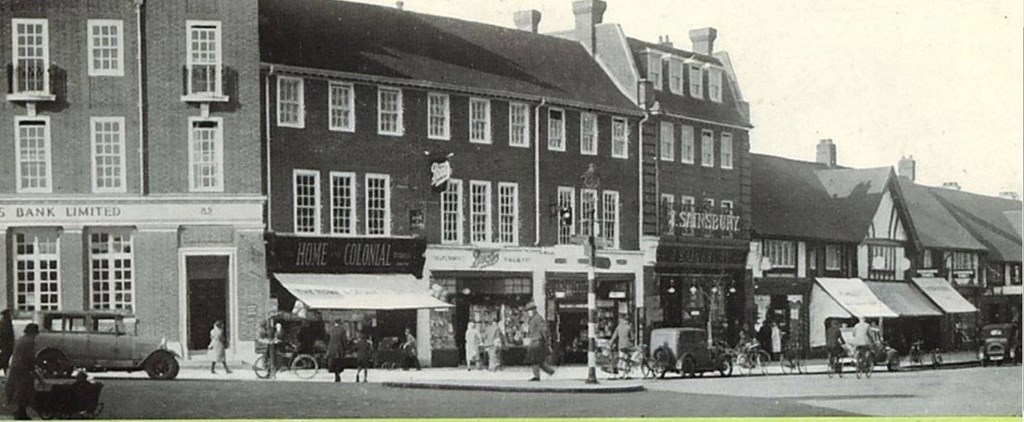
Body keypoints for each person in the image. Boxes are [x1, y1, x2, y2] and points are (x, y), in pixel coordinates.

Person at [6, 323, 43, 420]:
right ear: (33, 333)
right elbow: (30, 358)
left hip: (17, 368)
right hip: (23, 369)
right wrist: (35, 371)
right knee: (25, 391)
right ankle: (21, 413)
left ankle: (20, 411)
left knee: (20, 390)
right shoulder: (29, 341)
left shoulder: (22, 339)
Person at [524, 302, 555, 381]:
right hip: (534, 341)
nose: (528, 312)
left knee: (534, 360)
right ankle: (551, 371)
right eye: (528, 311)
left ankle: (537, 376)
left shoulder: (537, 318)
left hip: (537, 341)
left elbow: (543, 330)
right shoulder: (533, 319)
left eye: (529, 310)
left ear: (534, 310)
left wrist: (546, 342)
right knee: (539, 361)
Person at [0, 309, 14, 376]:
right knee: (5, 359)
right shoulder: (7, 324)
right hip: (6, 345)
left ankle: (4, 371)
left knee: (4, 359)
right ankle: (5, 371)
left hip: (5, 345)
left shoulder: (4, 324)